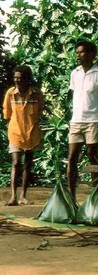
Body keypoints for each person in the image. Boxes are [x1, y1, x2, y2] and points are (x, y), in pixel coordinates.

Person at [67, 40, 98, 198]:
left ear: (92, 54)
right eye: (77, 52)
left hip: (94, 120)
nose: (78, 55)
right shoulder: (75, 73)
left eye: (82, 52)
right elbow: (74, 96)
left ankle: (96, 192)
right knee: (72, 156)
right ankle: (71, 194)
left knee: (92, 154)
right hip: (76, 120)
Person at [2, 65, 44, 206]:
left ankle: (23, 196)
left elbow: (39, 113)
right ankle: (13, 196)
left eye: (20, 78)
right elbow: (7, 114)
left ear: (27, 79)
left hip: (32, 133)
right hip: (15, 133)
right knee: (15, 163)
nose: (17, 81)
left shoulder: (37, 94)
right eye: (15, 78)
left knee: (28, 164)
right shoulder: (10, 94)